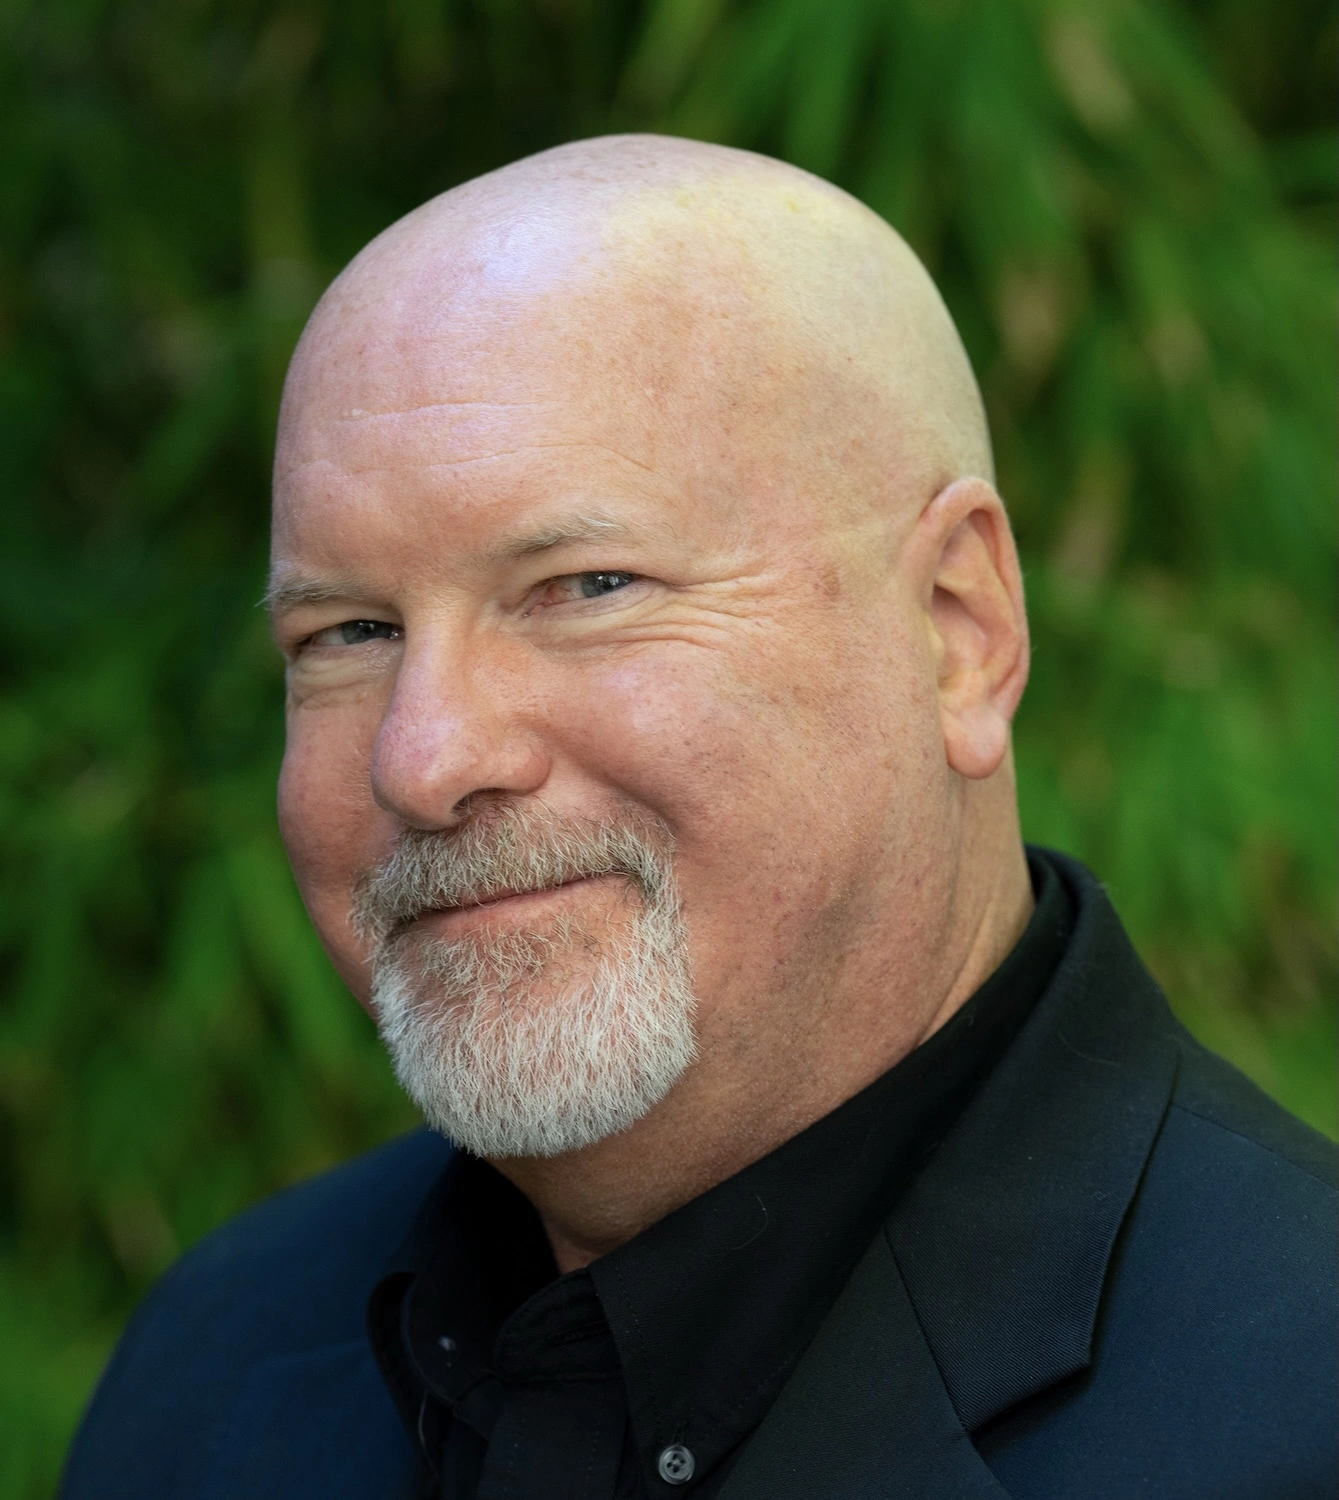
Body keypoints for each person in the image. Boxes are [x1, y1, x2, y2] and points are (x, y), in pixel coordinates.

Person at [63, 136, 1335, 1500]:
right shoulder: (215, 1368)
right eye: (350, 632)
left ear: (955, 631)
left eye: (586, 586)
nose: (424, 759)